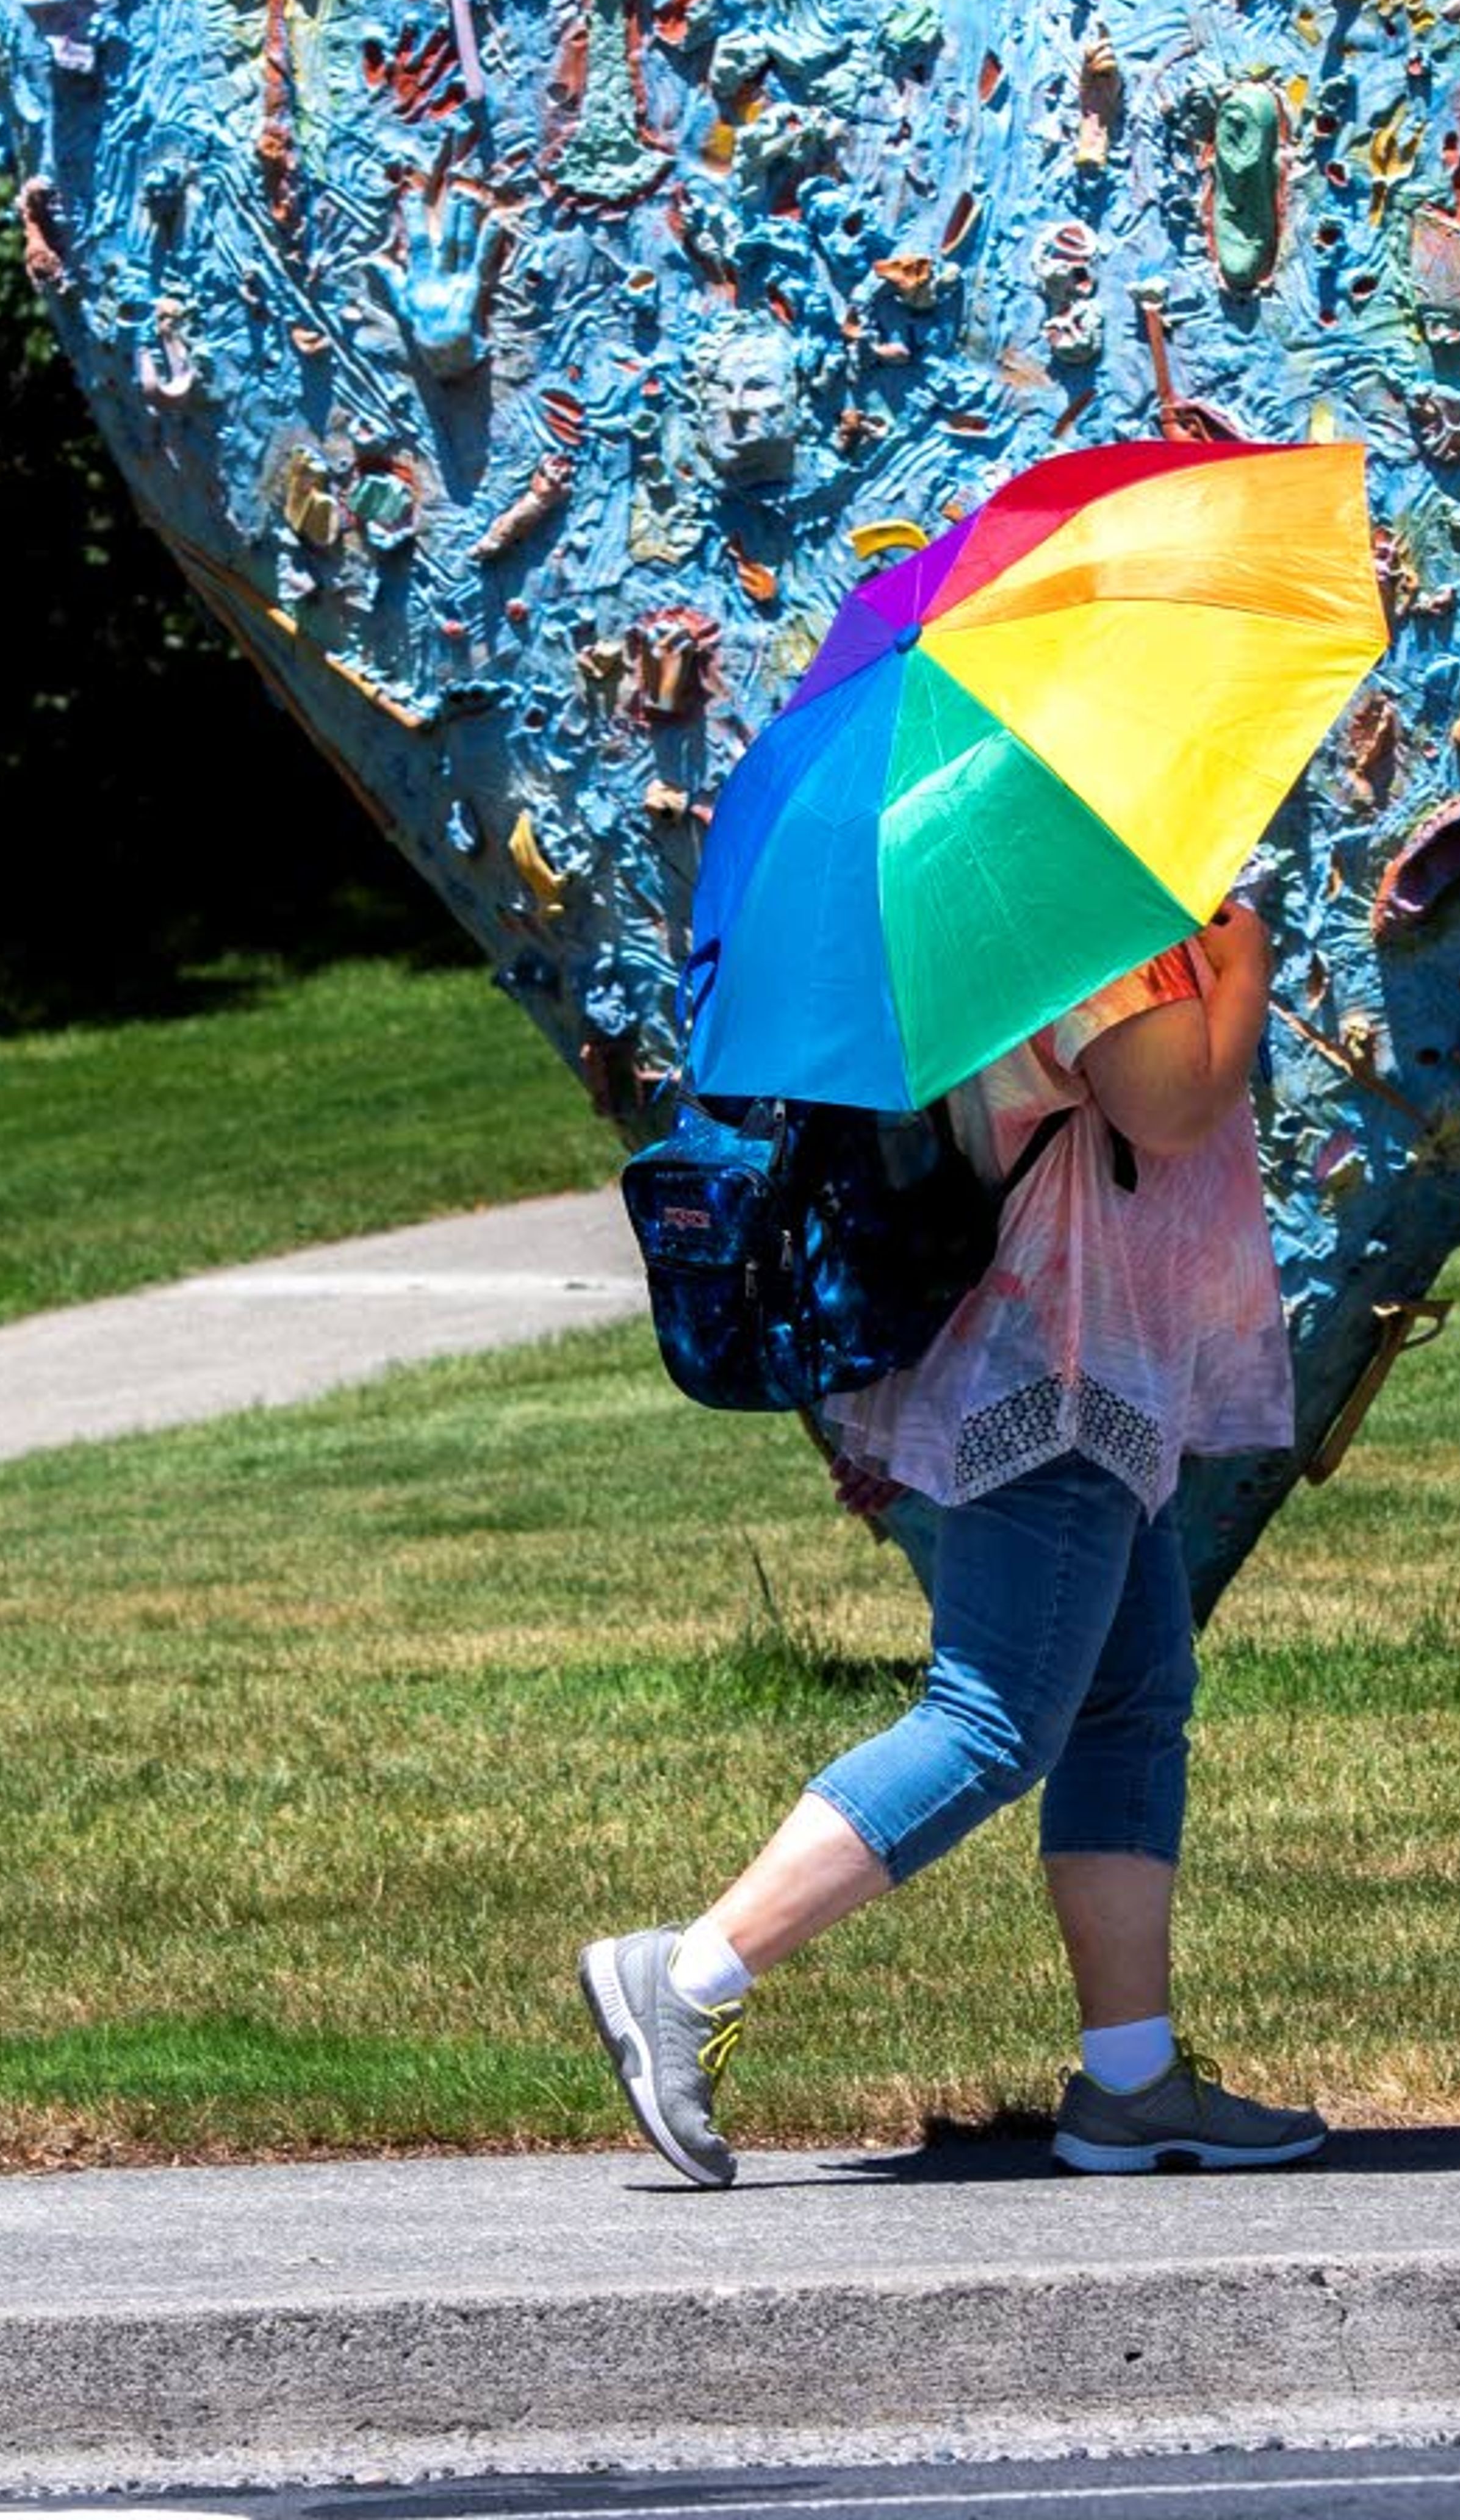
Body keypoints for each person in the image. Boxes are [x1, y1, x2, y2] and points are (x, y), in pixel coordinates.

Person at [578, 897, 1328, 2183]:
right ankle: (688, 1972)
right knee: (994, 1715)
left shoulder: (1026, 896)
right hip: (1062, 1358)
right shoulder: (1078, 920)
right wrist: (1244, 962)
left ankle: (1134, 2081)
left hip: (1083, 1349)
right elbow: (1171, 1102)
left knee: (1130, 1704)